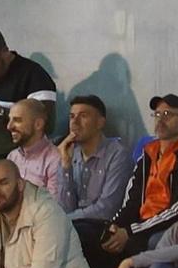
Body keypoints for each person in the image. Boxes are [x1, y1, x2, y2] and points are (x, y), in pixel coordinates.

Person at [97, 94, 178, 266]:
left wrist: (129, 231)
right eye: (157, 115)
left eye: (167, 115)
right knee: (99, 237)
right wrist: (116, 225)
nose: (160, 120)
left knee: (149, 242)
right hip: (139, 225)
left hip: (166, 227)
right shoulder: (148, 154)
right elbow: (131, 198)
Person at [57, 93, 133, 243]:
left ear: (100, 123)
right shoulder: (71, 152)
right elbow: (66, 207)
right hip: (74, 225)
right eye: (72, 116)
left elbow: (107, 209)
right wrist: (65, 165)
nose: (75, 122)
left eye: (83, 116)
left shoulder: (118, 154)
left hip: (104, 227)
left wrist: (62, 220)